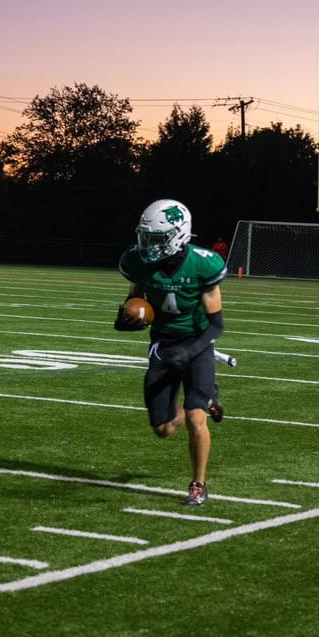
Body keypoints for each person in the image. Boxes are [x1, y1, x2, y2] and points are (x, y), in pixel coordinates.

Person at [115, 199, 227, 505]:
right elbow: (132, 304)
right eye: (146, 238)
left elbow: (216, 326)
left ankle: (198, 484)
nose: (149, 246)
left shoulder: (204, 263)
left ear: (178, 234)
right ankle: (208, 401)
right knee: (163, 429)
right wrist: (126, 319)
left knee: (195, 419)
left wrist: (190, 350)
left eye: (156, 239)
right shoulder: (138, 263)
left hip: (197, 341)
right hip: (163, 344)